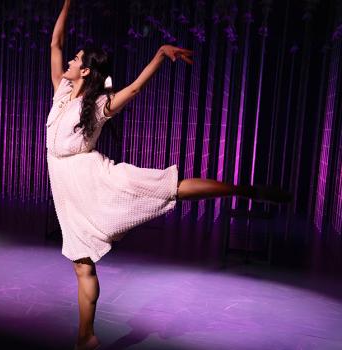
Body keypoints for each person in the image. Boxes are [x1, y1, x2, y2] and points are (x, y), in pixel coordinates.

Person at [48, 1, 290, 349]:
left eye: (76, 59)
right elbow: (55, 43)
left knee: (168, 188)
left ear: (86, 71)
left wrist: (160, 56)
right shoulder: (61, 91)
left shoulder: (101, 104)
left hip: (93, 177)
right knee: (82, 265)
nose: (69, 60)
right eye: (71, 58)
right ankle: (86, 337)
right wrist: (68, 3)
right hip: (67, 187)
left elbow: (132, 89)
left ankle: (242, 189)